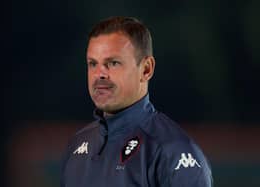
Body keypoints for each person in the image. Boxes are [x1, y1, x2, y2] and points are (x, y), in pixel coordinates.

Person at [61, 16, 213, 187]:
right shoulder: (77, 145)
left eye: (113, 63)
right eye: (92, 64)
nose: (99, 74)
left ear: (146, 69)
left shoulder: (172, 151)